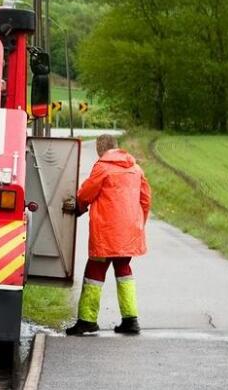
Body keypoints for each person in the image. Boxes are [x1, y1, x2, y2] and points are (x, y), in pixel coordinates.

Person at [66, 134, 151, 336]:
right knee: (123, 269)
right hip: (129, 232)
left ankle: (87, 320)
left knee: (95, 270)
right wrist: (138, 225)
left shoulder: (102, 167)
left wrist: (78, 207)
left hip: (106, 232)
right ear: (116, 147)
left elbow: (86, 193)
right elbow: (146, 200)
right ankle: (130, 320)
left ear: (99, 148)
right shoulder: (136, 168)